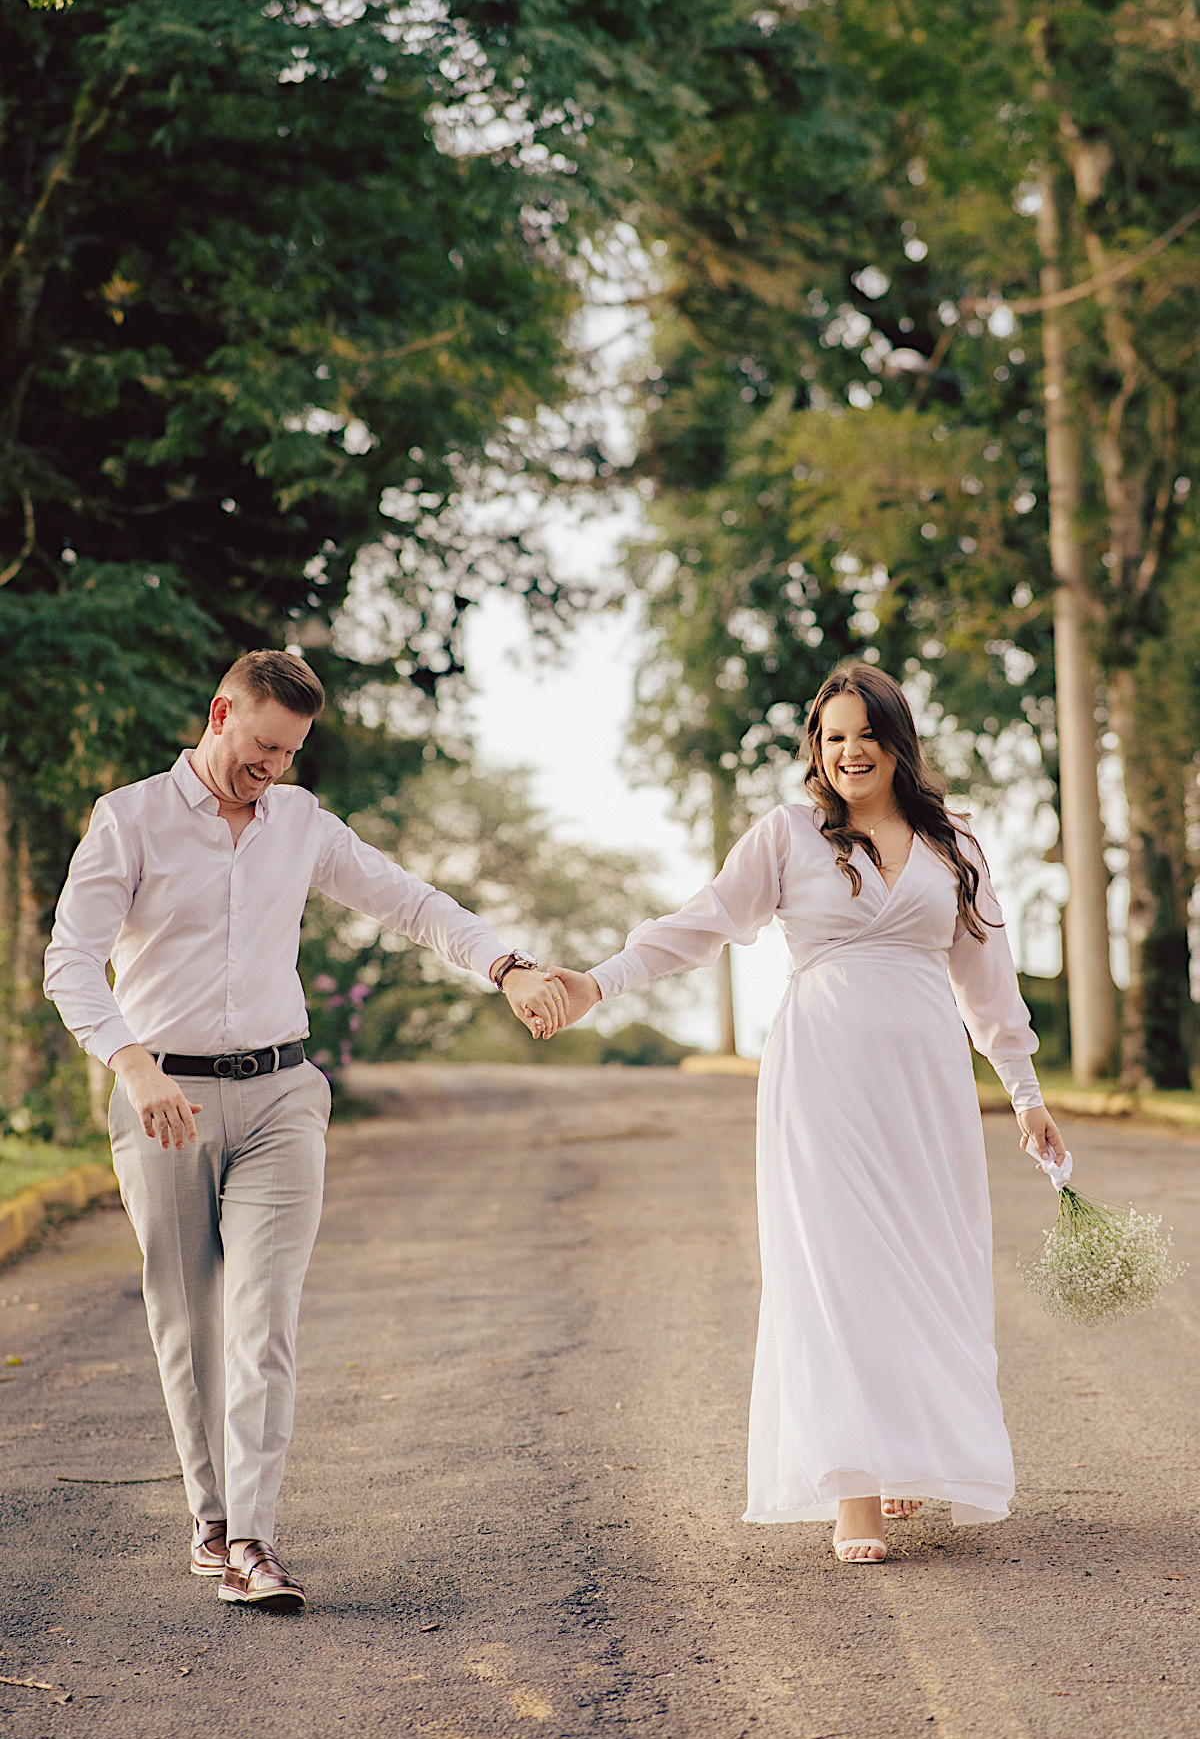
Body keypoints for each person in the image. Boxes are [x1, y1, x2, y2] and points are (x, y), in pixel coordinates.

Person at [44, 650, 567, 1610]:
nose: (272, 769)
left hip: (283, 1093)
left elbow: (408, 900)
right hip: (164, 1098)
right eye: (261, 747)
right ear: (219, 713)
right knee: (189, 1317)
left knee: (264, 1314)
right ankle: (209, 1520)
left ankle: (252, 1538)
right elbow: (71, 962)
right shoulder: (131, 819)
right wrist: (132, 1064)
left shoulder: (300, 822)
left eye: (289, 753)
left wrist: (508, 966)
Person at [547, 661, 1065, 1564]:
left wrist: (1026, 1097)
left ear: (897, 741)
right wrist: (602, 980)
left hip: (926, 1082)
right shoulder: (789, 836)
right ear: (815, 754)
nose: (850, 751)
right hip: (821, 1075)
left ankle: (910, 1452)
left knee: (926, 1258)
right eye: (833, 738)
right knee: (838, 1261)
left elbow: (989, 985)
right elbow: (703, 922)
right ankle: (853, 1492)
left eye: (866, 733)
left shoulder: (956, 846)